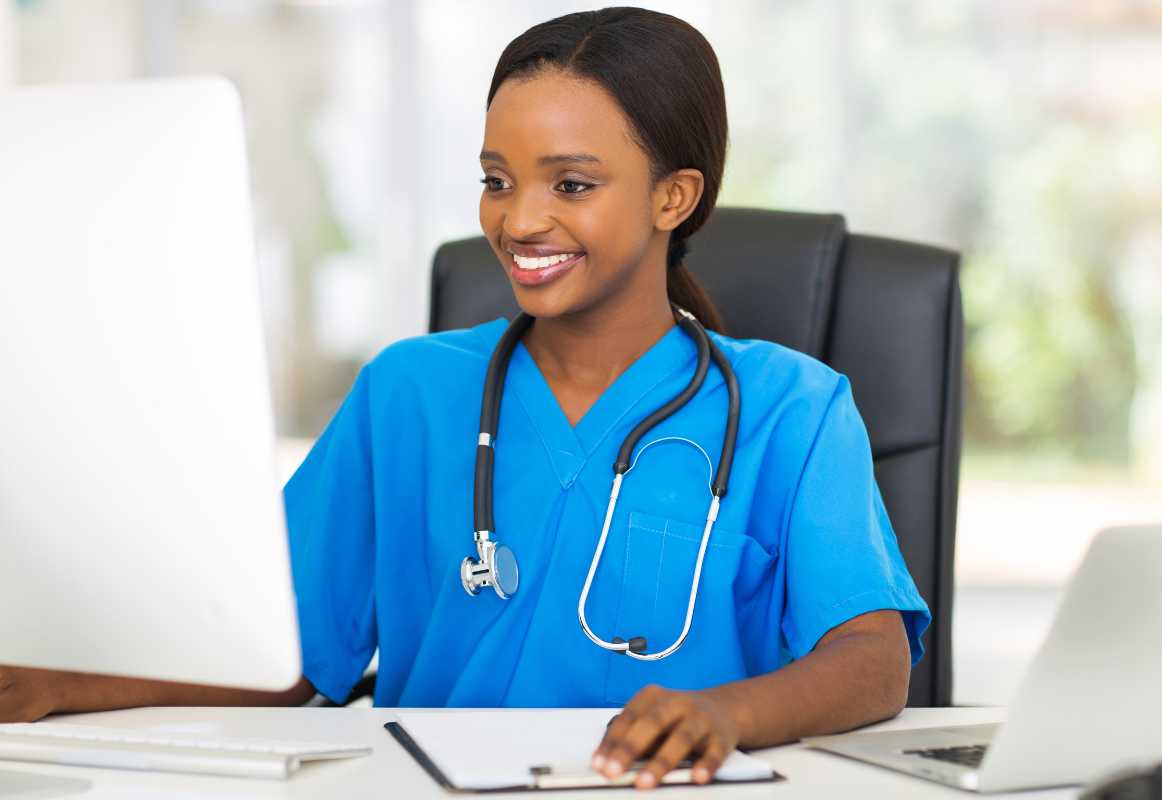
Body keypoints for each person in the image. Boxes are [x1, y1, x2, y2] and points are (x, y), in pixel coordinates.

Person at [0, 7, 930, 791]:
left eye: (572, 184)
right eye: (496, 180)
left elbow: (872, 660)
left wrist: (728, 713)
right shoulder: (408, 393)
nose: (518, 220)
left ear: (673, 198)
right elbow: (286, 662)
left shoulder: (792, 409)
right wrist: (62, 683)